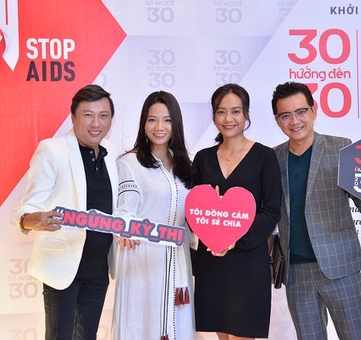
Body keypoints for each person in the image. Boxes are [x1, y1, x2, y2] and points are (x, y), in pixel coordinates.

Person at [271, 81, 361, 340]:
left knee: (354, 335)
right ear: (277, 120)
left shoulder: (341, 149)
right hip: (296, 271)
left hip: (340, 265)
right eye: (286, 115)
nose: (295, 121)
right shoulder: (272, 158)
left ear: (314, 110)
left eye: (301, 111)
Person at [17, 84, 119, 340]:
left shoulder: (114, 153)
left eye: (103, 115)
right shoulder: (52, 150)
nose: (96, 123)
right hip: (62, 267)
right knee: (59, 336)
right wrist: (33, 220)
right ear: (73, 117)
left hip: (99, 269)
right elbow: (30, 205)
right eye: (88, 114)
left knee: (87, 337)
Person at [191, 83, 282, 340]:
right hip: (212, 258)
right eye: (221, 112)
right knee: (221, 331)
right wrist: (212, 234)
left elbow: (272, 210)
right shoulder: (202, 159)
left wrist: (236, 239)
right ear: (214, 116)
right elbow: (193, 208)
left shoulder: (264, 156)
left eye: (236, 111)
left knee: (243, 333)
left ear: (246, 115)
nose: (228, 119)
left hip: (249, 259)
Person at [111, 91, 195, 340]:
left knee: (178, 326)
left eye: (167, 120)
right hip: (142, 257)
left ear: (176, 124)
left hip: (178, 259)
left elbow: (192, 216)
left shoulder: (185, 166)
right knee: (142, 325)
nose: (159, 127)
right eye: (152, 120)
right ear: (143, 123)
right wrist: (125, 228)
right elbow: (124, 211)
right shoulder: (130, 163)